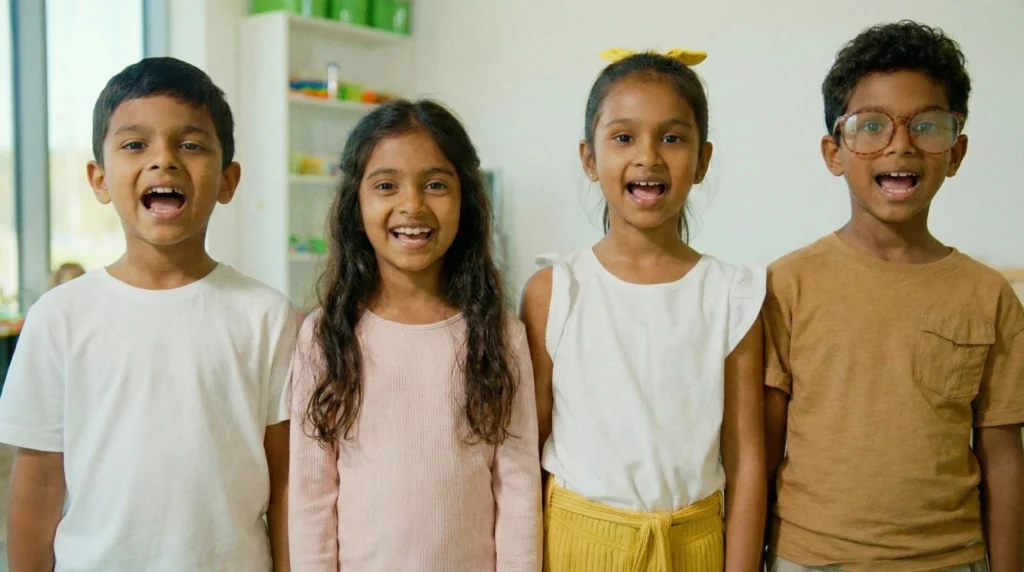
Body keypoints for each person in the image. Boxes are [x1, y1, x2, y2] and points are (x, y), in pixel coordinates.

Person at [0, 57, 297, 571]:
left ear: (228, 180)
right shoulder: (59, 316)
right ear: (99, 179)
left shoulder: (267, 316)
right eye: (135, 144)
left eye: (191, 144)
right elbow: (39, 480)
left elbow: (288, 477)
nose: (164, 160)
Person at [763, 20, 1024, 572]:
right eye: (871, 125)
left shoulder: (989, 295)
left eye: (927, 125)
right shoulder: (787, 284)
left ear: (956, 151)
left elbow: (1002, 455)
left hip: (951, 559)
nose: (900, 143)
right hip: (810, 558)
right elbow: (761, 449)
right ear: (835, 151)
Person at [520, 48, 767, 571]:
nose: (648, 157)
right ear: (590, 158)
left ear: (702, 161)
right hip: (576, 545)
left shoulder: (731, 294)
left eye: (673, 138)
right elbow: (527, 451)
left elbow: (747, 462)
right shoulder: (555, 289)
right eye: (624, 137)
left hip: (695, 546)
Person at [288, 99, 541, 572]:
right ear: (355, 203)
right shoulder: (324, 336)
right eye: (386, 185)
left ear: (465, 198)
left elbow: (519, 488)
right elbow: (311, 498)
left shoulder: (500, 335)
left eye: (436, 185)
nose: (412, 205)